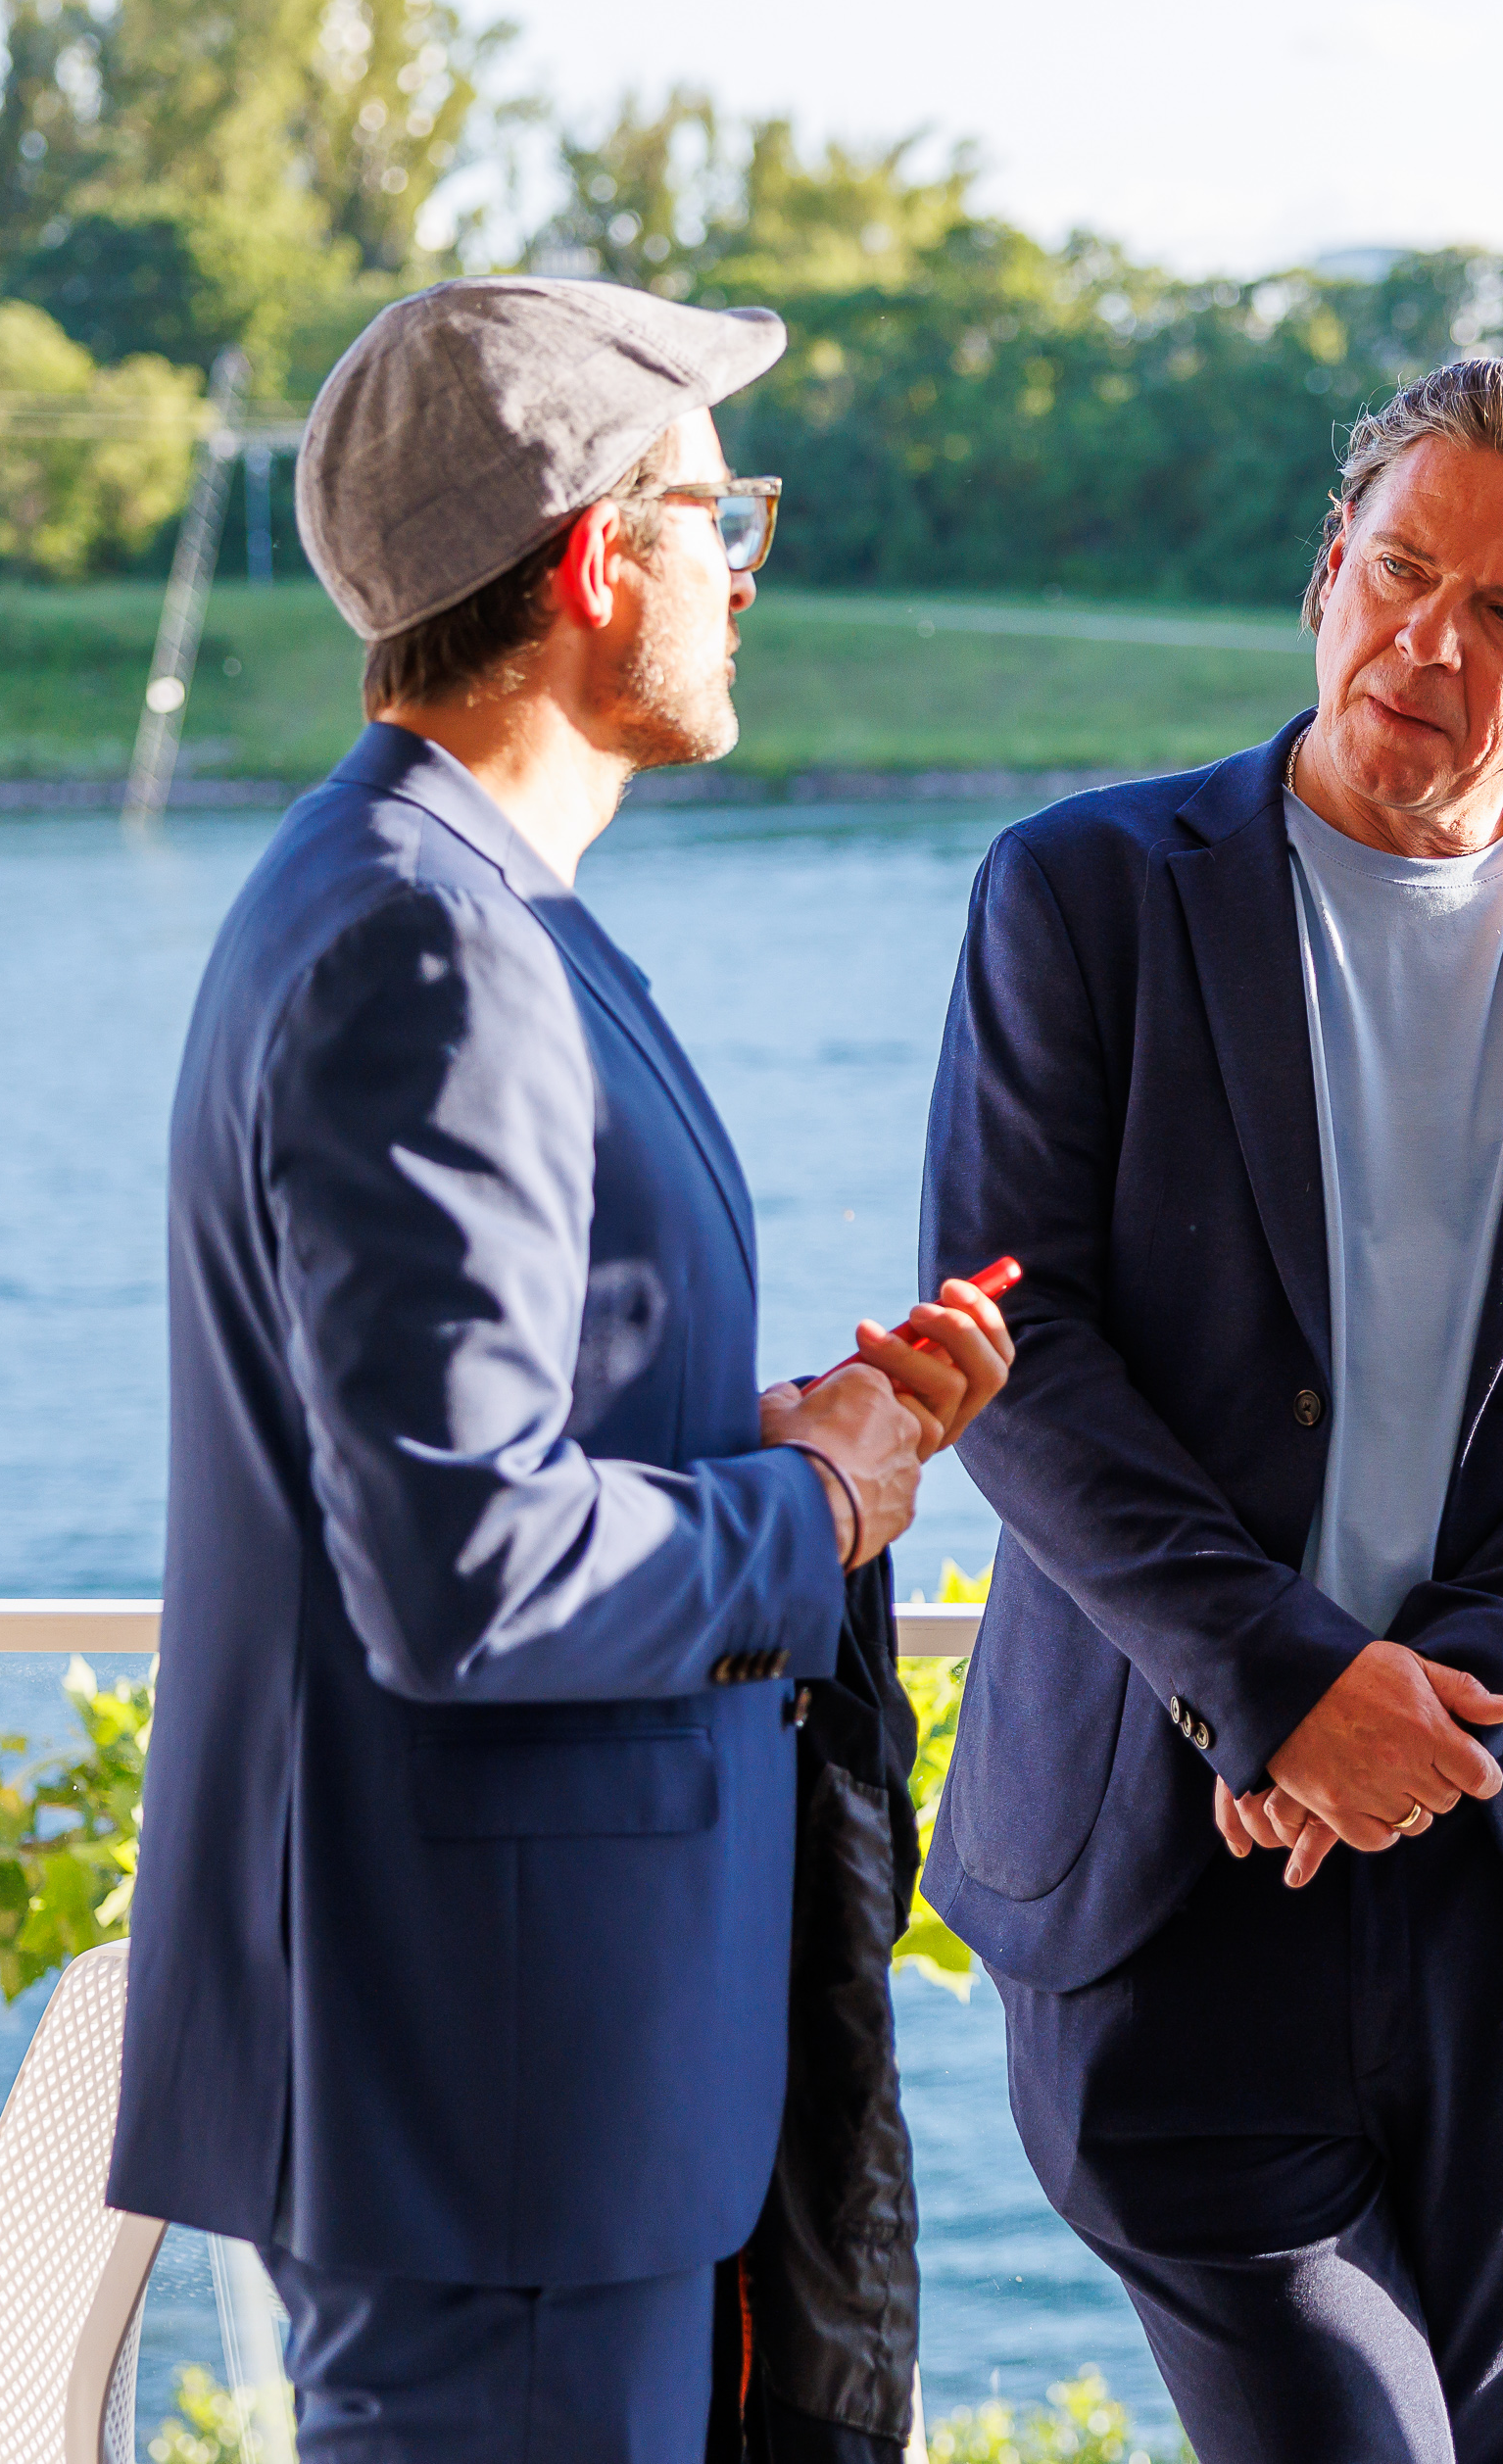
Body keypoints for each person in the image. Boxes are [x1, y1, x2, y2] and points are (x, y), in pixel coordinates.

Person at [111, 274, 1012, 2464]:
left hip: (525, 2072)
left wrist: (771, 1432)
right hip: (500, 2087)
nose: (743, 571)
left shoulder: (422, 900)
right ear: (604, 559)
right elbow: (468, 1568)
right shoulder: (434, 940)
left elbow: (473, 1452)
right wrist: (821, 1502)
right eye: (722, 516)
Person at [917, 355, 1503, 2464]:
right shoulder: (1082, 893)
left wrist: (1436, 1703)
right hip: (1170, 1858)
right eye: (1401, 572)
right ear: (1327, 574)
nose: (1430, 639)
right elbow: (1022, 1346)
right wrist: (1289, 1687)